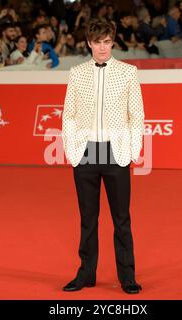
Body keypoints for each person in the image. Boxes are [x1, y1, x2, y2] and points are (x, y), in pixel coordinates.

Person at [61, 19, 144, 295]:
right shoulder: (77, 73)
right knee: (88, 218)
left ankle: (127, 276)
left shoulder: (128, 72)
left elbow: (137, 116)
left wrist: (131, 152)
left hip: (116, 151)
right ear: (89, 43)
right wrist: (73, 151)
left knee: (121, 218)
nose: (102, 48)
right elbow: (68, 115)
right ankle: (85, 274)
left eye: (107, 42)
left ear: (113, 42)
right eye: (97, 42)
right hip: (85, 151)